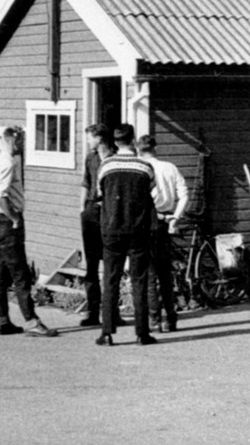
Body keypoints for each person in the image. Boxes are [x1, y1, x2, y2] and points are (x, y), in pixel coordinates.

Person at [0, 127, 57, 337]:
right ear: (8, 140)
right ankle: (32, 321)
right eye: (18, 140)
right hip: (7, 221)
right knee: (20, 274)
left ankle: (2, 320)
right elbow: (0, 196)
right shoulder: (7, 162)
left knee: (1, 273)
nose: (21, 144)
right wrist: (14, 218)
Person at [96, 124, 156, 346]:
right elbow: (152, 190)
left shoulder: (106, 165)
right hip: (138, 229)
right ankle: (142, 333)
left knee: (110, 279)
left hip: (112, 228)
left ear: (115, 142)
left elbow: (99, 193)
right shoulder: (145, 166)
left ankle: (107, 333)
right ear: (132, 140)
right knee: (139, 280)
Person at [137, 134, 190, 332]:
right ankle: (171, 318)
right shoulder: (170, 167)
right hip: (167, 221)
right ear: (155, 148)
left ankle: (154, 319)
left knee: (150, 274)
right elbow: (184, 194)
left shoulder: (141, 169)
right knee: (165, 274)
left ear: (139, 150)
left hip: (149, 222)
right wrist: (176, 216)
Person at [78, 124, 112, 327]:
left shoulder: (114, 158)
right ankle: (92, 311)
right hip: (91, 211)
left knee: (110, 263)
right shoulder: (90, 158)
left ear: (99, 139)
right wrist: (82, 208)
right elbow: (85, 182)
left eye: (90, 138)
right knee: (91, 264)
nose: (89, 142)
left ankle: (111, 311)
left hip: (108, 212)